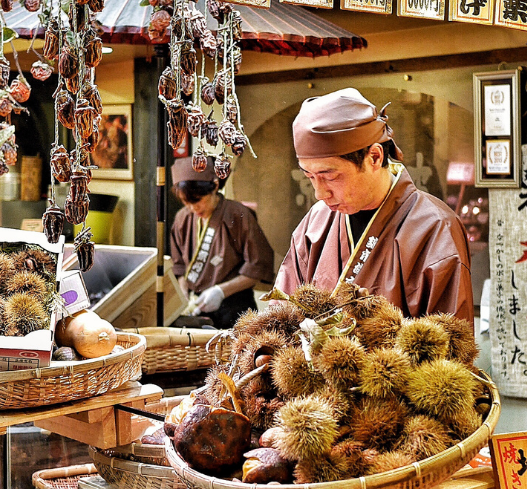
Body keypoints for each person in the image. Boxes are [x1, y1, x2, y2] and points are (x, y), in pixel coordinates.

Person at [276, 88, 474, 324]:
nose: (320, 193)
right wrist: (264, 351)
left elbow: (449, 346)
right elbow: (281, 313)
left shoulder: (435, 227)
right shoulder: (316, 220)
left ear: (375, 157)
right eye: (309, 176)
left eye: (329, 176)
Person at [169, 158, 275, 329]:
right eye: (185, 202)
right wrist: (184, 298)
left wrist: (220, 291)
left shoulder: (239, 215)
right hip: (197, 310)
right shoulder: (182, 218)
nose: (192, 208)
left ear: (215, 186)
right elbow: (179, 267)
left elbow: (257, 267)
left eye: (197, 200)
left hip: (234, 309)